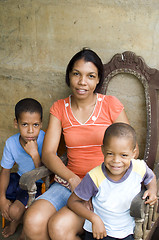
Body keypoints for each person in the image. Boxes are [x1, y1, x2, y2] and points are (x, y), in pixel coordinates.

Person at [23, 48, 138, 240]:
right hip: (69, 183)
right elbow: (49, 153)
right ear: (69, 76)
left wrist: (105, 183)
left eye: (90, 76)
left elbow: (133, 149)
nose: (82, 82)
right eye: (76, 74)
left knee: (59, 227)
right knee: (33, 221)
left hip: (103, 187)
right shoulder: (60, 108)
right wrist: (72, 179)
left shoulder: (110, 104)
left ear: (98, 79)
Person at [68, 123, 157, 240]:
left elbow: (151, 177)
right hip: (99, 232)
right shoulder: (94, 176)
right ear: (103, 150)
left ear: (133, 153)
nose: (116, 161)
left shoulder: (139, 168)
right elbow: (72, 202)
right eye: (110, 153)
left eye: (124, 155)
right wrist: (94, 218)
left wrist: (152, 189)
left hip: (127, 231)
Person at [0, 98, 45, 239]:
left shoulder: (45, 140)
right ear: (16, 123)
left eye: (35, 125)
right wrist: (1, 198)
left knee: (13, 212)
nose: (30, 131)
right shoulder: (11, 143)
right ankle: (16, 214)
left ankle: (17, 220)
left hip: (37, 182)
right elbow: (5, 171)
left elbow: (47, 176)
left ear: (41, 124)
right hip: (19, 177)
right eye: (24, 124)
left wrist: (34, 155)